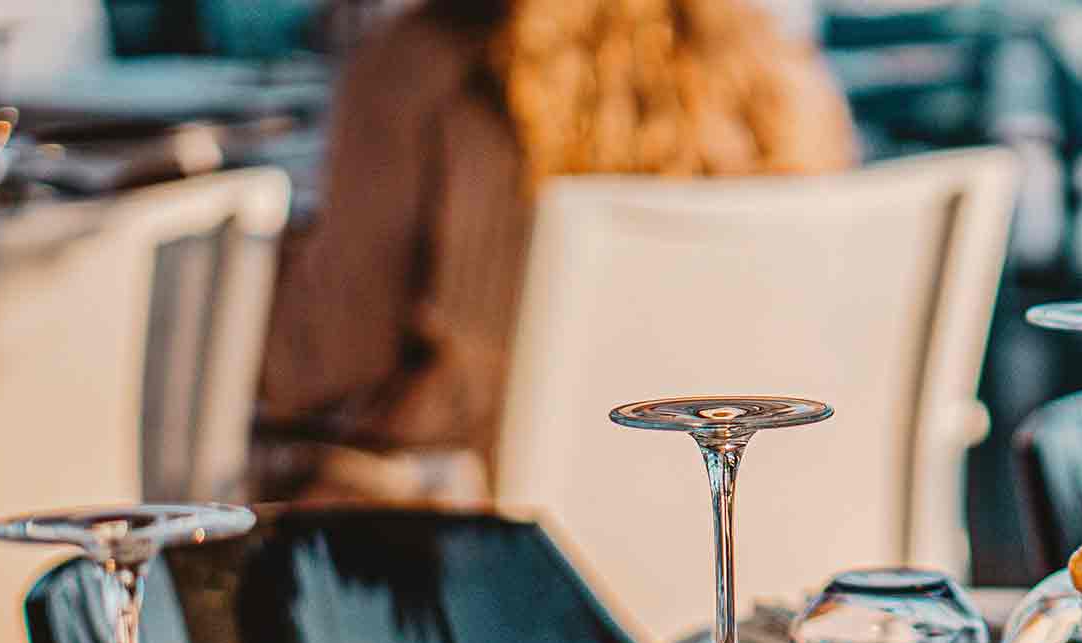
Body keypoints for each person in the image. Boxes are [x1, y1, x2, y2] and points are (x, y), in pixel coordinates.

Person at [258, 0, 857, 501]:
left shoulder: (424, 71)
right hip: (735, 548)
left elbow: (316, 366)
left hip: (495, 578)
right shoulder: (783, 81)